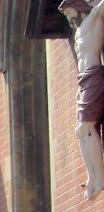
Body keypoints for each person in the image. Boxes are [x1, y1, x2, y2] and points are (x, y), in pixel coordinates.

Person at [61, 0, 104, 199]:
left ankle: (100, 177)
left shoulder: (94, 18)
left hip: (94, 75)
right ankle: (92, 176)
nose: (71, 20)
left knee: (86, 127)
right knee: (80, 130)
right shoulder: (78, 32)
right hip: (84, 80)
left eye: (72, 15)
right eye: (68, 18)